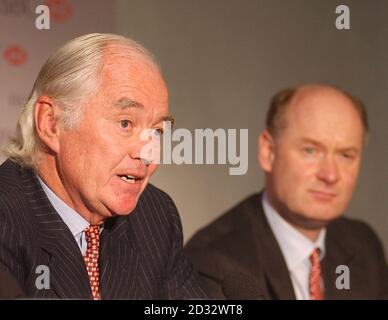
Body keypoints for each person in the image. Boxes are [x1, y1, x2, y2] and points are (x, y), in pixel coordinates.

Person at [0, 33, 206, 299]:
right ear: (51, 123)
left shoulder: (154, 216)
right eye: (125, 124)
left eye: (157, 131)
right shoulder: (6, 220)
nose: (149, 154)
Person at [184, 84, 388, 299]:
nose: (330, 175)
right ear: (268, 152)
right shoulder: (211, 263)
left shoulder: (363, 246)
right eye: (310, 150)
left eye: (346, 155)